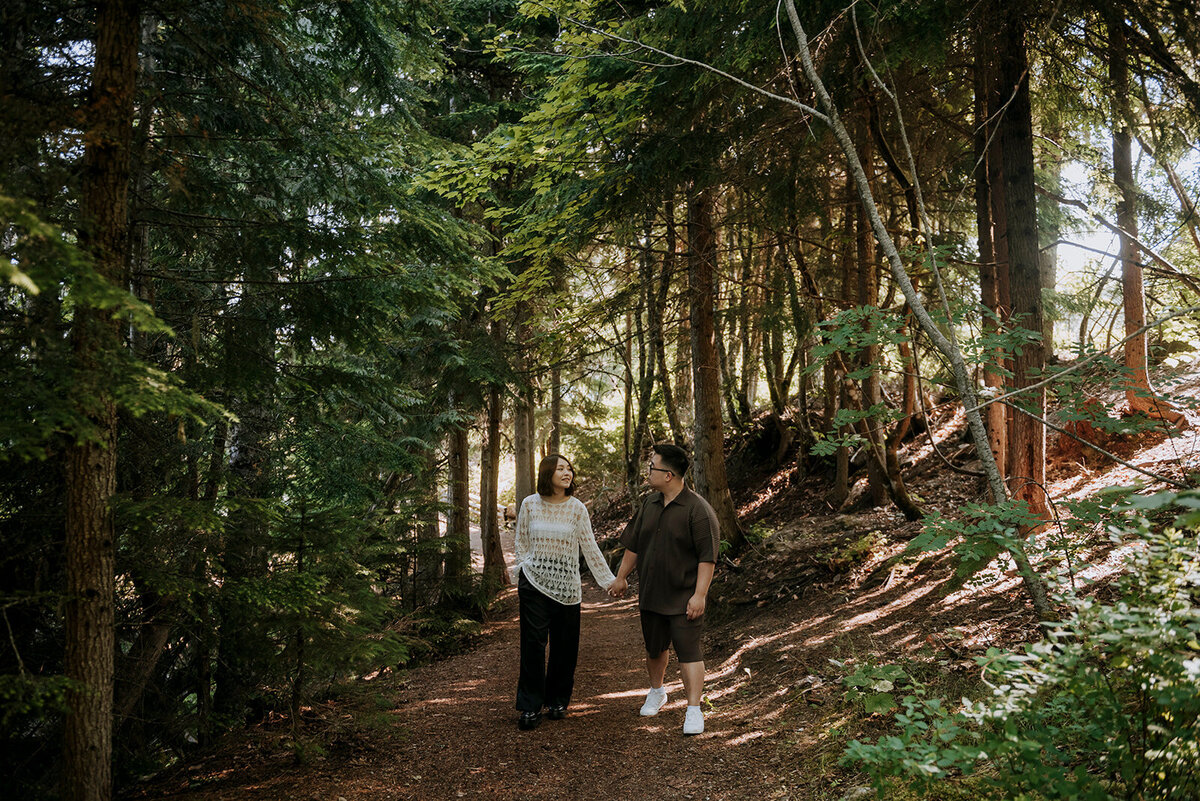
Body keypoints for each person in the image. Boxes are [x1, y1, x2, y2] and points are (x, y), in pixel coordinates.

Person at [608, 443, 719, 735]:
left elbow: (708, 558)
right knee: (655, 649)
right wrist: (621, 577)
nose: (649, 472)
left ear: (668, 475)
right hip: (652, 593)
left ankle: (694, 709)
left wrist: (700, 595)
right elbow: (634, 544)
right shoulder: (649, 504)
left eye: (652, 467)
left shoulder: (698, 510)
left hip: (684, 596)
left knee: (689, 651)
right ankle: (657, 692)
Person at [512, 453, 616, 731]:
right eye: (560, 468)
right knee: (533, 646)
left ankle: (557, 701)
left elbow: (590, 547)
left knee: (565, 646)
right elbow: (521, 540)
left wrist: (608, 580)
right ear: (547, 474)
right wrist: (522, 568)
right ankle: (530, 706)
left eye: (569, 468)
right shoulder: (530, 505)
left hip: (567, 586)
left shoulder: (577, 508)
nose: (567, 472)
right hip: (533, 584)